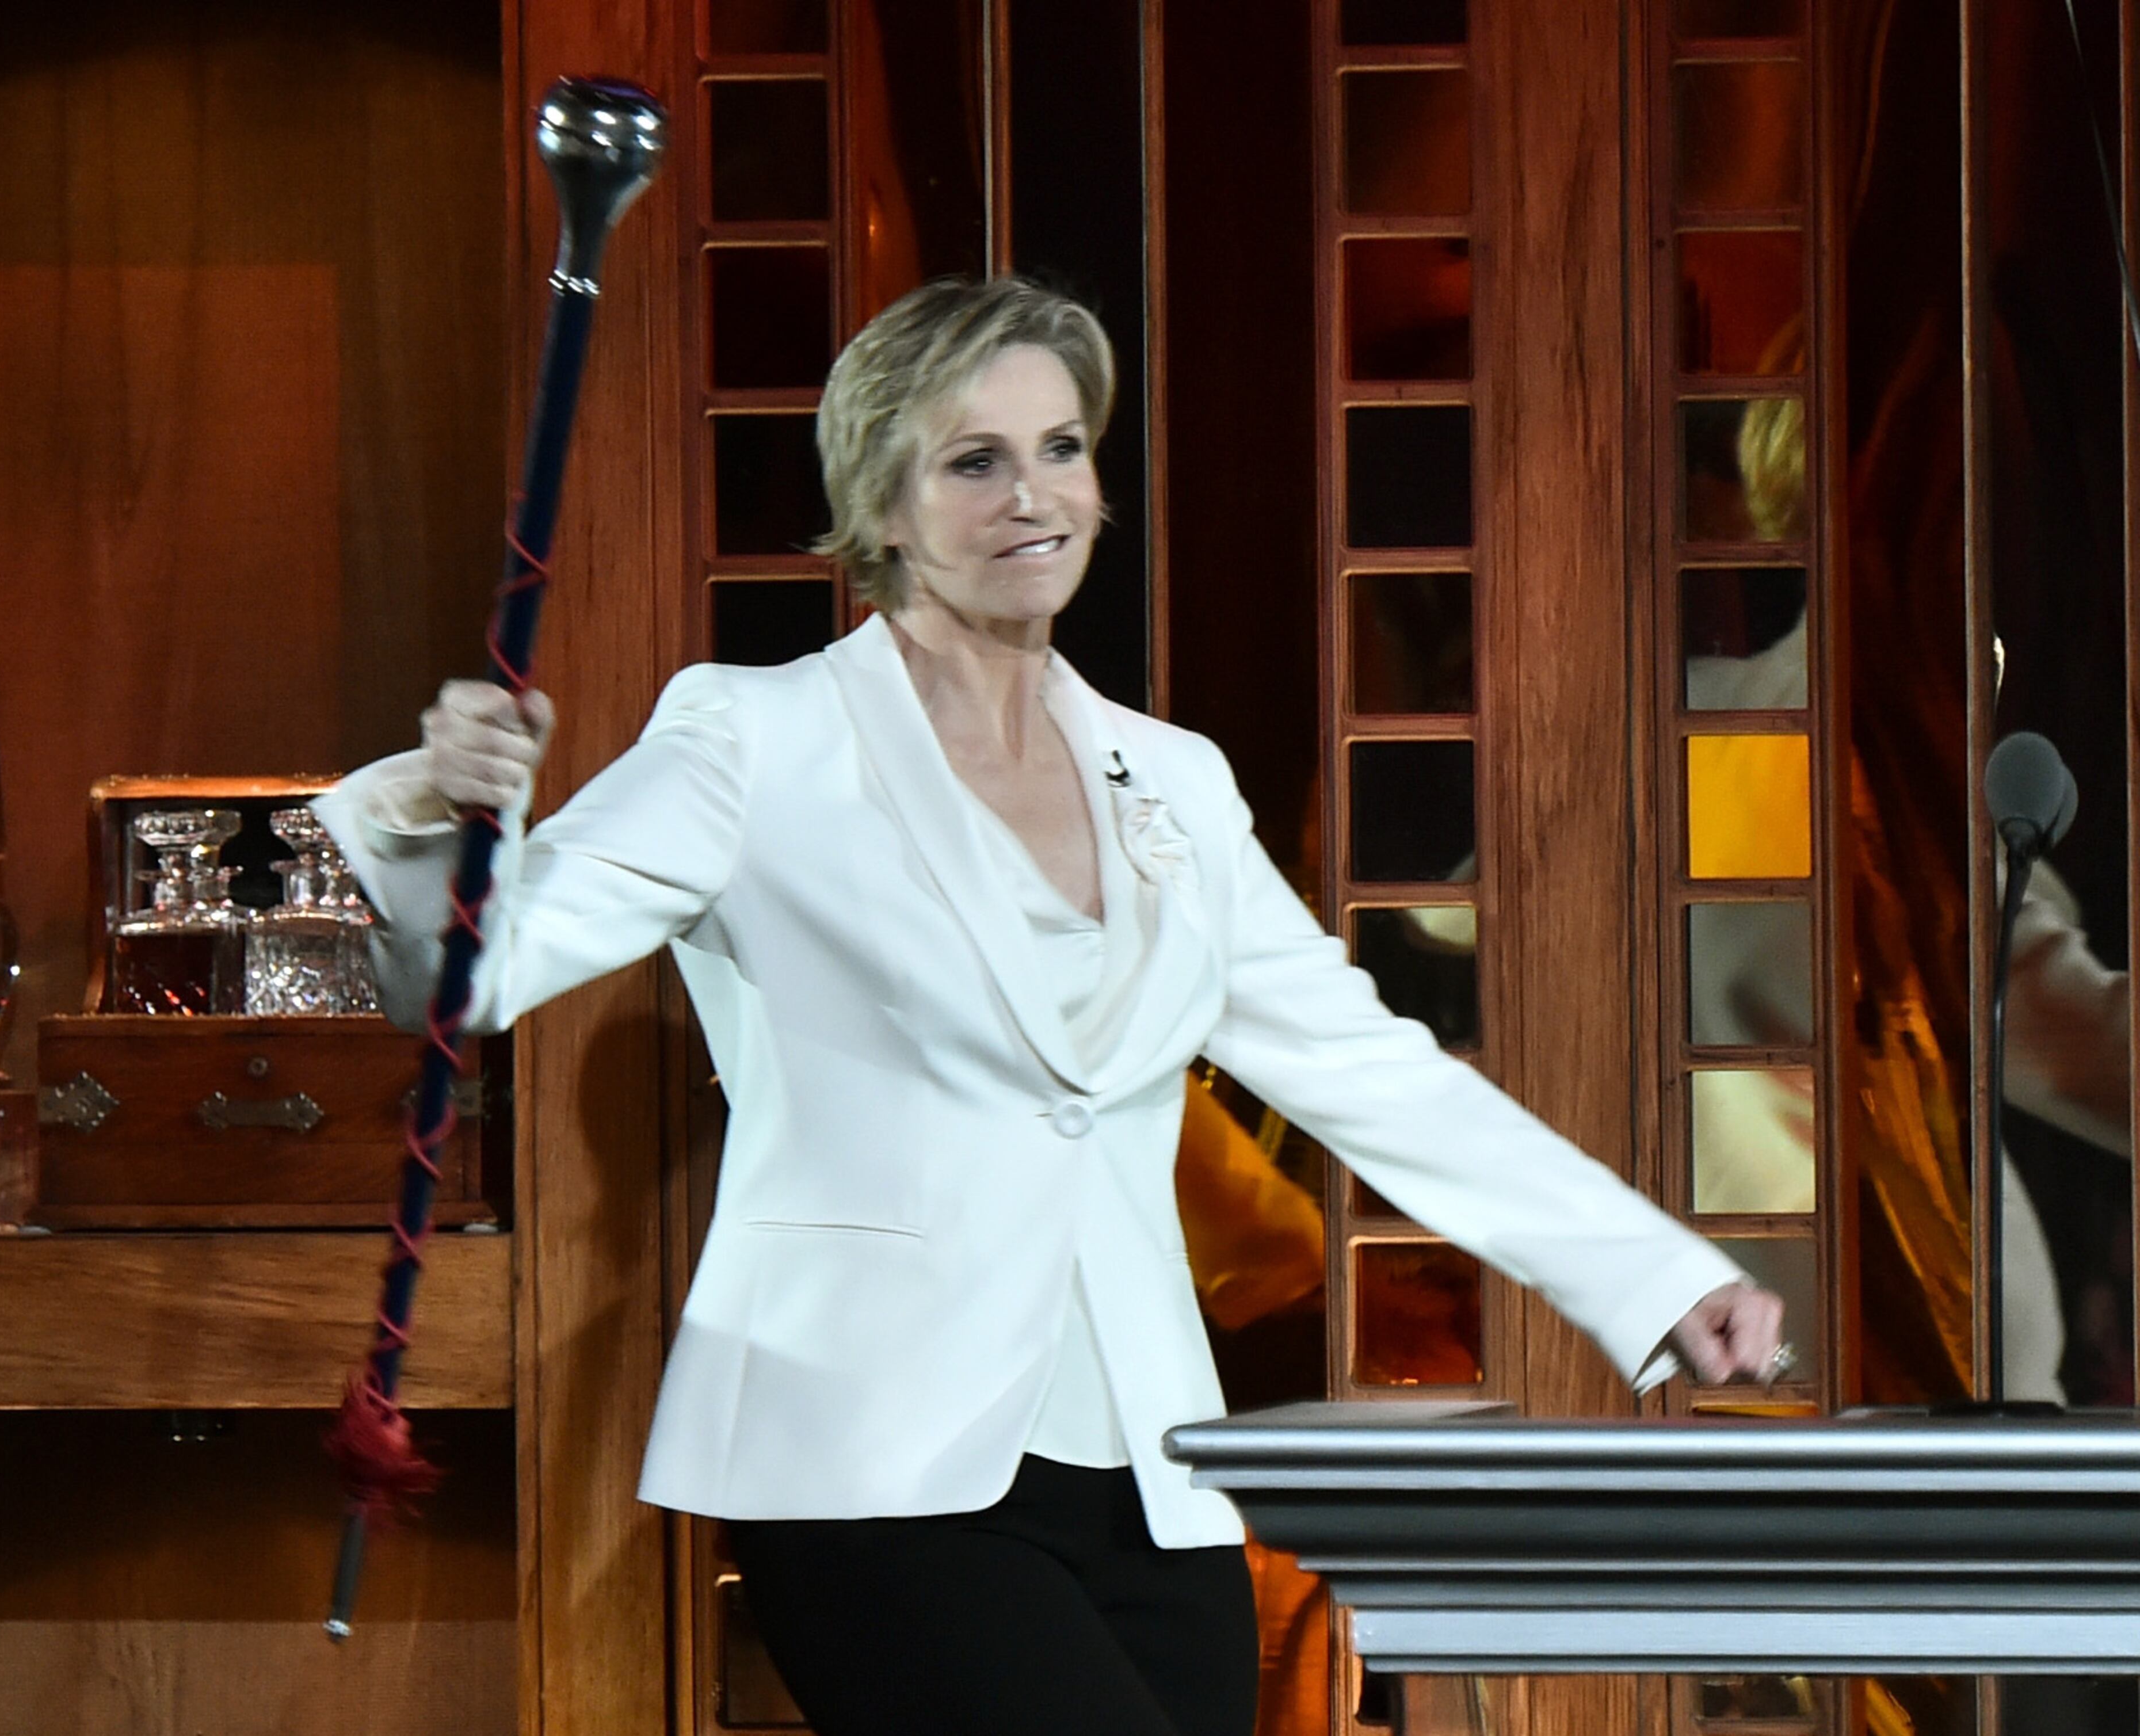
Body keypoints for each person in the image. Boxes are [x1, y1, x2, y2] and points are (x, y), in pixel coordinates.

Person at [317, 276, 1784, 1736]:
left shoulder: (1175, 780)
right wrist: (432, 806)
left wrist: (1653, 1275)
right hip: (874, 1468)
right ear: (881, 506)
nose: (1036, 496)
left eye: (1063, 448)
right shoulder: (753, 737)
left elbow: (1369, 1071)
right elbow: (469, 979)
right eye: (976, 461)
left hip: (1147, 1480)